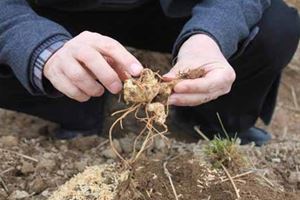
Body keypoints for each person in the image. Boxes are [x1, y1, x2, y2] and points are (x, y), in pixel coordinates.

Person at [0, 0, 299, 146]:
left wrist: (210, 37)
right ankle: (75, 109)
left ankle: (210, 119)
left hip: (165, 9)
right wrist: (41, 46)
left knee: (275, 28)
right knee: (17, 45)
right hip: (52, 12)